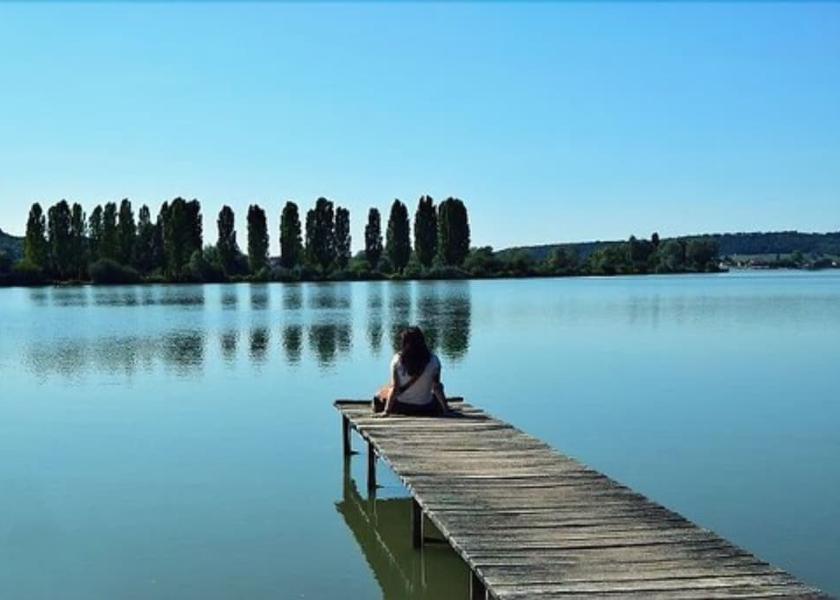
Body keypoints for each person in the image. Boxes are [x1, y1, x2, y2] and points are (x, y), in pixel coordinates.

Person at [373, 326, 448, 416]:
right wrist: (446, 410)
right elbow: (437, 387)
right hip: (426, 406)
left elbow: (395, 388)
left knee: (379, 395)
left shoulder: (397, 360)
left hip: (402, 406)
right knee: (433, 397)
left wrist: (387, 411)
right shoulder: (434, 360)